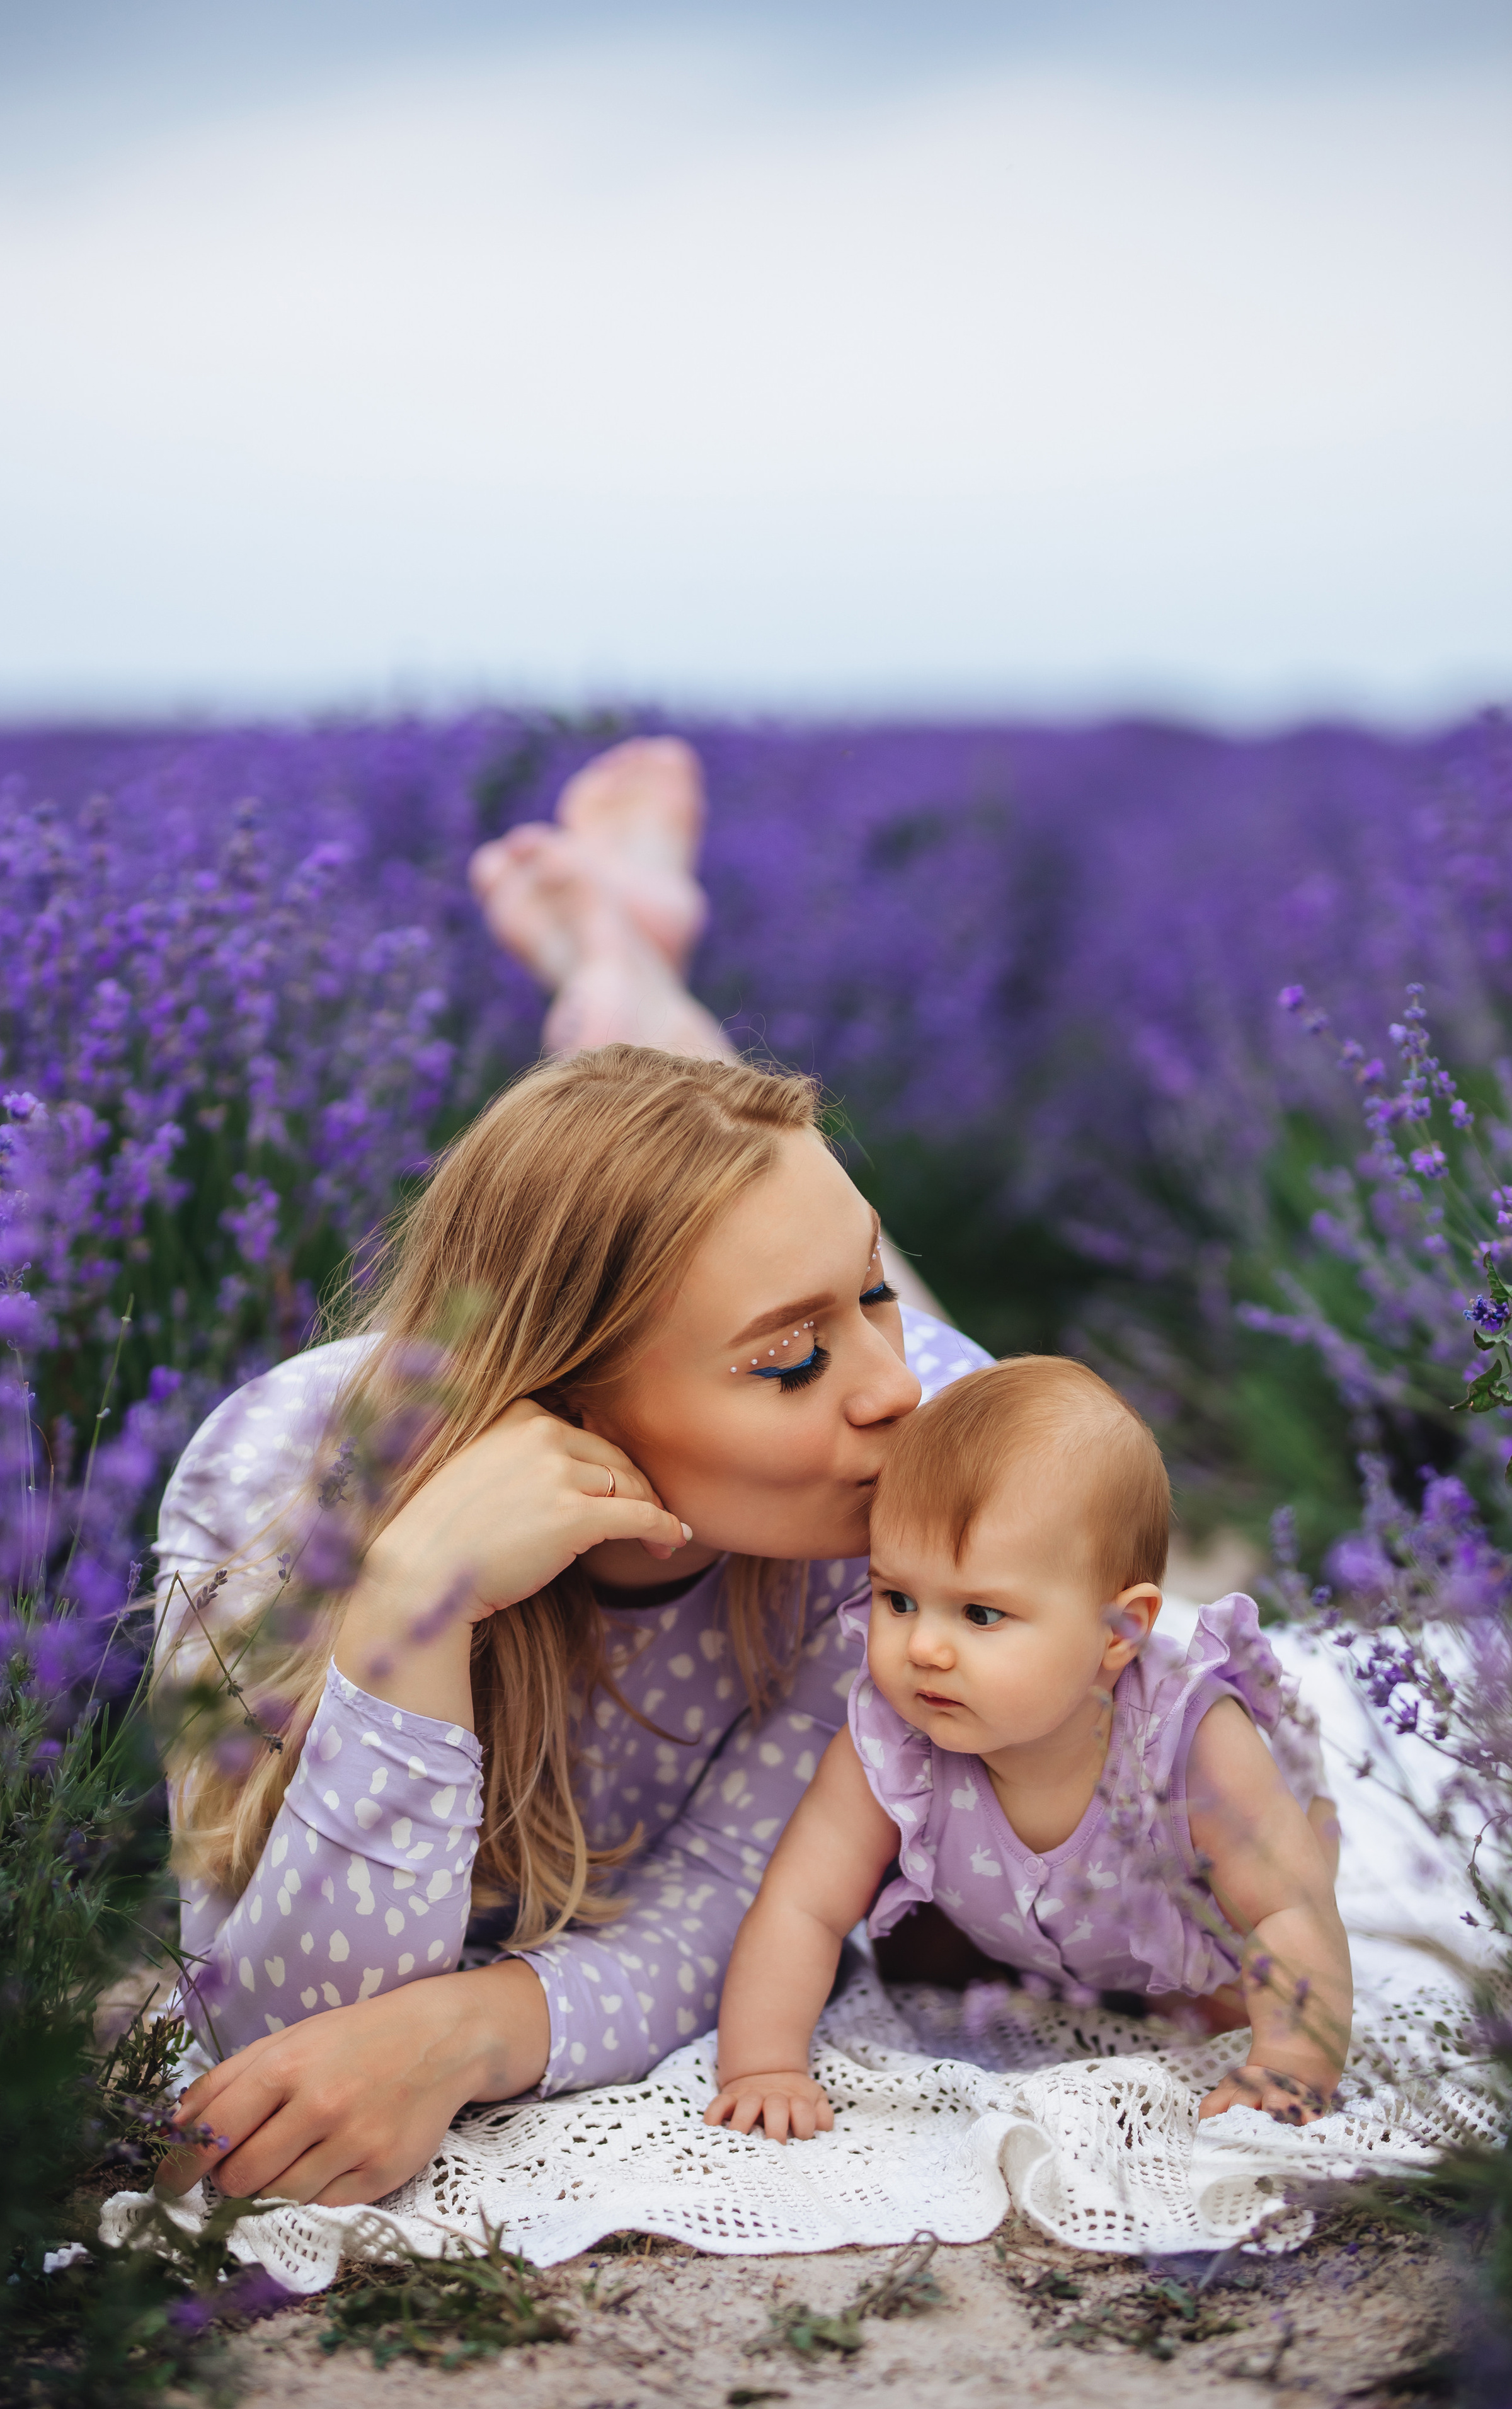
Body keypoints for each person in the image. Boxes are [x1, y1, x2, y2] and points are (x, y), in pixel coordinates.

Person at [154, 739, 982, 2209]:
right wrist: (407, 1610)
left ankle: (628, 974)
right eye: (791, 1356)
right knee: (687, 1214)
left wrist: (468, 2029)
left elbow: (727, 1914)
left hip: (948, 1494)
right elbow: (271, 2020)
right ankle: (621, 962)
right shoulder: (275, 1483)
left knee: (986, 1428)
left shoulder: (897, 1499)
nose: (888, 1388)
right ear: (563, 1399)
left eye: (870, 1303)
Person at [706, 1356, 1352, 2145]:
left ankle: (1198, 2001)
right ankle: (1026, 1957)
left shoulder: (1192, 1744)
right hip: (1017, 1919)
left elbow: (1287, 1909)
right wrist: (764, 2067)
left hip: (1207, 1920)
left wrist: (1290, 2065)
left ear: (1120, 1630)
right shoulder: (893, 1737)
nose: (924, 1649)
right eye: (898, 1599)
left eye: (980, 1614)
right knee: (910, 1955)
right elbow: (801, 1906)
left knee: (1216, 2010)